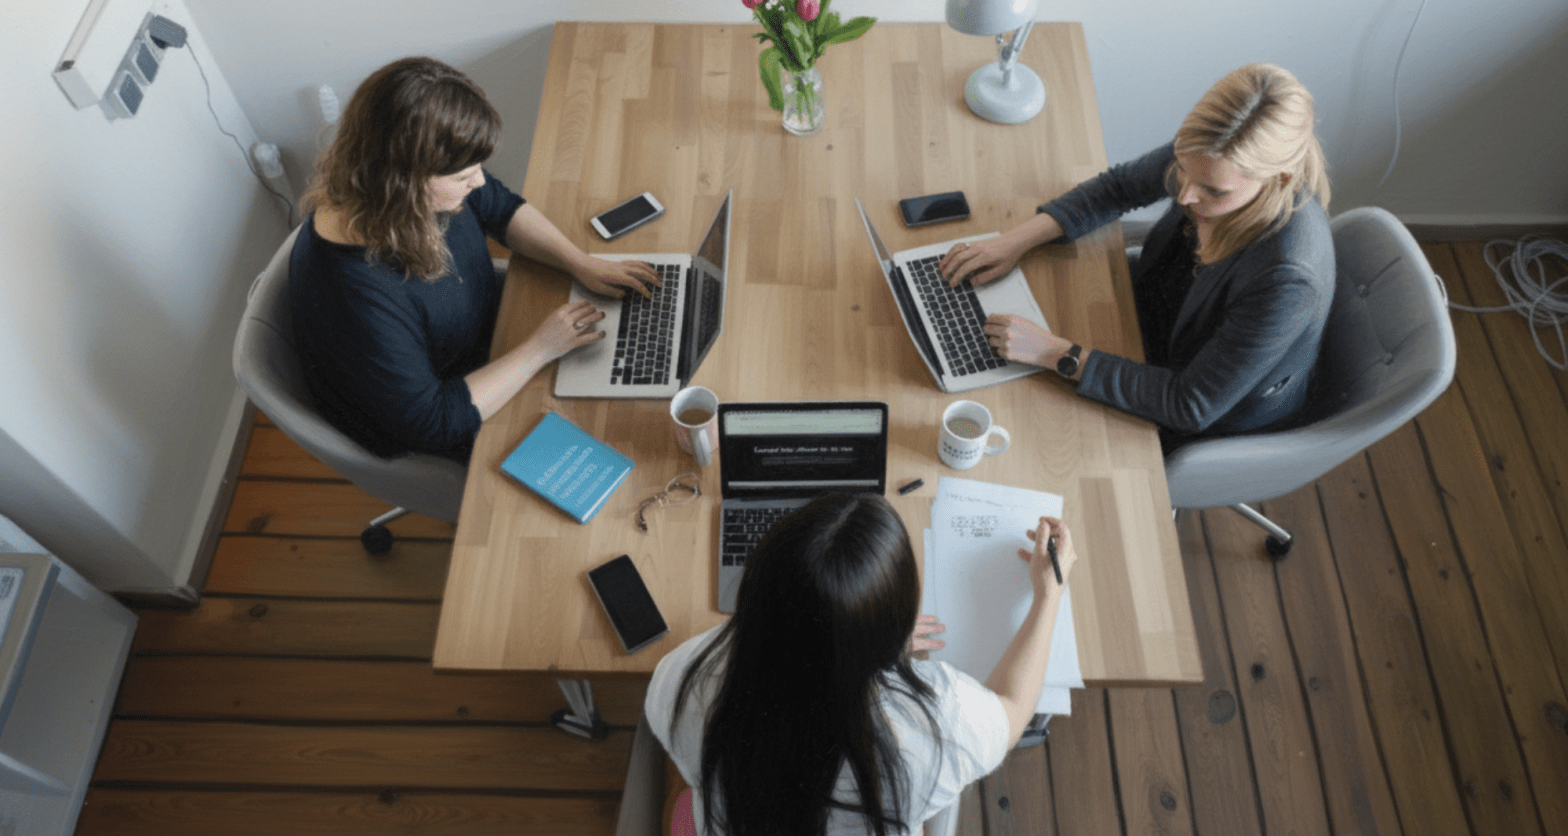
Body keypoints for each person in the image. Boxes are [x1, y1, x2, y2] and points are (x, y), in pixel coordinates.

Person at [940, 62, 1335, 452]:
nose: (1184, 197)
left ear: (1280, 177)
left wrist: (1052, 352)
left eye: (1213, 193)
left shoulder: (1287, 279)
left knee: (1041, 437)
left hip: (1195, 408)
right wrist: (1014, 242)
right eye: (1181, 170)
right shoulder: (1209, 153)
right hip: (1145, 320)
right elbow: (1118, 189)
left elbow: (1190, 404)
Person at [290, 57, 658, 461]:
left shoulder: (404, 195)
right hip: (453, 410)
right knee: (620, 439)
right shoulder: (355, 296)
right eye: (463, 177)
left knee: (633, 386)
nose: (479, 181)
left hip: (495, 339)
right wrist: (539, 349)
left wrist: (578, 261)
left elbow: (498, 207)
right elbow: (431, 422)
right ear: (402, 183)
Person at [644, 492, 1076, 836]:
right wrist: (1048, 594)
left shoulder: (681, 675)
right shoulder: (937, 725)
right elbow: (1013, 706)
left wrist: (848, 640)